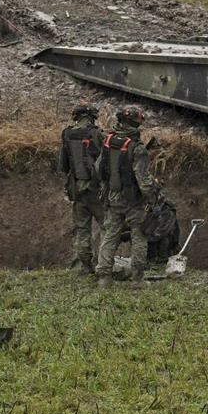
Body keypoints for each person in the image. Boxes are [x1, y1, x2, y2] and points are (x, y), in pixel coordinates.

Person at [96, 103, 162, 285]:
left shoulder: (108, 141)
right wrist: (153, 196)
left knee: (110, 235)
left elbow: (98, 168)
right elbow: (144, 181)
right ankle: (138, 279)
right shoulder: (137, 148)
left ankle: (103, 277)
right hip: (133, 200)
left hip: (112, 196)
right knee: (139, 235)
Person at [58, 100, 106, 274]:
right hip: (97, 190)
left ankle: (86, 266)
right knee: (107, 227)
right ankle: (104, 264)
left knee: (82, 229)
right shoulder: (97, 134)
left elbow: (63, 165)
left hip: (77, 189)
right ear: (92, 117)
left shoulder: (67, 134)